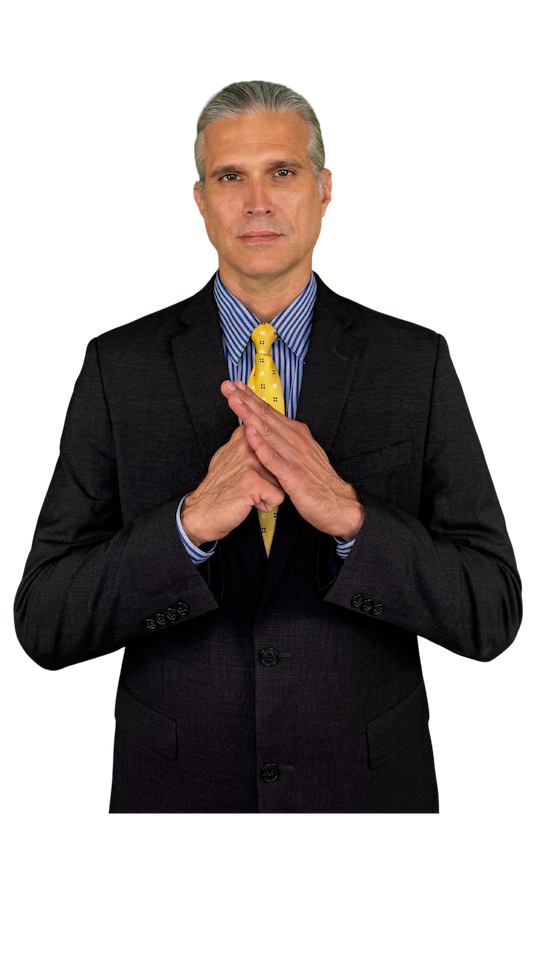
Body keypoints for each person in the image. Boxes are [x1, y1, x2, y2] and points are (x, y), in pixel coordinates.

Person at [13, 80, 522, 815]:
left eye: (282, 171)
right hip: (175, 792)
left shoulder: (418, 361)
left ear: (326, 190)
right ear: (199, 202)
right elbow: (44, 621)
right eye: (230, 177)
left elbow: (492, 610)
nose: (257, 202)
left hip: (368, 791)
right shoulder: (115, 365)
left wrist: (353, 519)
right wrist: (187, 526)